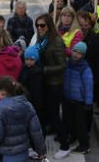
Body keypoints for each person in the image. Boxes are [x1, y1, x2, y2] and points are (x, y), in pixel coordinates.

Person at [34, 13, 69, 159]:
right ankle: (39, 148)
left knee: (54, 116)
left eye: (42, 25)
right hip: (44, 82)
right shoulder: (42, 39)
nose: (39, 28)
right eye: (37, 25)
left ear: (49, 25)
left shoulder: (57, 41)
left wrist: (45, 69)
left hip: (55, 84)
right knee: (42, 115)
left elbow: (63, 65)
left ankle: (65, 146)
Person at [0, 76, 47, 162]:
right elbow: (37, 133)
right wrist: (41, 151)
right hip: (23, 152)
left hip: (6, 154)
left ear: (3, 92)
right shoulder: (27, 105)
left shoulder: (0, 109)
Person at [62, 42, 93, 154]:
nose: (76, 54)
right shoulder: (68, 63)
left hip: (80, 101)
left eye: (79, 53)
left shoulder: (85, 69)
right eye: (75, 51)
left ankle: (85, 145)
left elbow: (89, 86)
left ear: (83, 55)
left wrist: (88, 102)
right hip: (68, 98)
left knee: (81, 124)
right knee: (70, 121)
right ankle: (73, 137)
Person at [18, 46, 45, 133]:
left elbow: (37, 91)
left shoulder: (37, 72)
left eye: (31, 59)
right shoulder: (24, 69)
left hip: (35, 103)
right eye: (27, 59)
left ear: (36, 59)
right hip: (25, 100)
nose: (28, 61)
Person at [76, 11, 99, 106]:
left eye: (87, 25)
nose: (84, 27)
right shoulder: (74, 36)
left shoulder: (94, 39)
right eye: (81, 25)